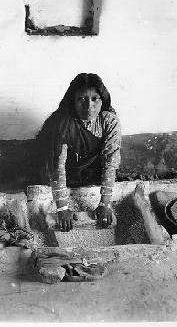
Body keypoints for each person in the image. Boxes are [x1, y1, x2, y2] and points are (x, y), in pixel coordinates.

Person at [37, 73, 121, 232]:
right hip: (62, 167)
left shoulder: (109, 121)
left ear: (102, 100)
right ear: (73, 102)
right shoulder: (63, 123)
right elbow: (57, 165)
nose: (89, 106)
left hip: (88, 168)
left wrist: (105, 203)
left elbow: (110, 161)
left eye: (95, 99)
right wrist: (62, 207)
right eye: (82, 99)